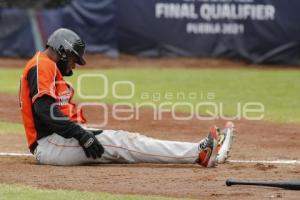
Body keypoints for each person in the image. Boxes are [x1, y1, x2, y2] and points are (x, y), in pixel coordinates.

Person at [19, 28, 234, 166]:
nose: (74, 66)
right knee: (122, 142)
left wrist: (82, 132)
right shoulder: (42, 65)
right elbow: (44, 110)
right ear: (63, 51)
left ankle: (198, 152)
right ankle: (197, 153)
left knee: (124, 141)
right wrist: (82, 135)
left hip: (58, 141)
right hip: (50, 145)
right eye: (74, 59)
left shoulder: (46, 67)